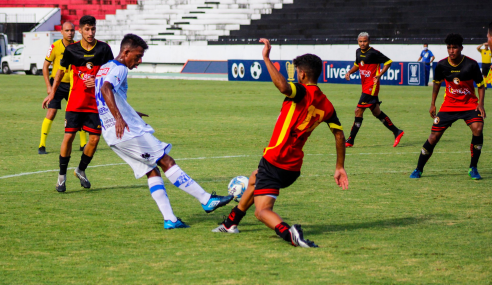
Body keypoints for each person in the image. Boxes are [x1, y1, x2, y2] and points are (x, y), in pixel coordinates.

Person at [212, 39, 349, 248]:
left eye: (296, 72)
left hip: (276, 159)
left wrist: (266, 58)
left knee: (262, 211)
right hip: (293, 167)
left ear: (303, 75)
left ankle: (289, 234)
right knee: (253, 180)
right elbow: (340, 136)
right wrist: (339, 167)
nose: (295, 75)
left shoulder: (302, 92)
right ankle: (231, 223)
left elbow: (283, 86)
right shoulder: (327, 104)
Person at [95, 34, 233, 228]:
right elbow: (106, 90)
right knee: (166, 160)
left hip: (112, 134)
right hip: (126, 131)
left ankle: (170, 219)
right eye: (138, 55)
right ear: (126, 52)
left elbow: (107, 94)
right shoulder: (119, 69)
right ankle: (206, 200)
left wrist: (129, 112)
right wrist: (120, 117)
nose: (140, 61)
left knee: (152, 170)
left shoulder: (104, 68)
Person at [42, 15, 114, 192]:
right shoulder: (72, 50)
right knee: (69, 137)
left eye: (93, 29)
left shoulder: (104, 49)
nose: (90, 32)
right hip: (75, 102)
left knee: (95, 139)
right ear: (80, 30)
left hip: (95, 103)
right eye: (87, 29)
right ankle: (61, 177)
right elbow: (60, 72)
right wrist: (51, 93)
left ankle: (81, 170)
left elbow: (112, 72)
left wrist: (97, 81)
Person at [410, 33, 486, 179]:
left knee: (478, 128)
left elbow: (481, 86)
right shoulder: (442, 65)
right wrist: (433, 104)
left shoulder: (471, 64)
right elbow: (437, 84)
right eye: (449, 48)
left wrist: (480, 104)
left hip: (469, 105)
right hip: (449, 106)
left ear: (461, 48)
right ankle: (418, 169)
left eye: (454, 48)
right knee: (433, 137)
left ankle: (473, 168)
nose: (451, 51)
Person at [344, 32, 404, 148]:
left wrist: (379, 75)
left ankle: (350, 140)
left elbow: (388, 62)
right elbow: (357, 64)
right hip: (365, 86)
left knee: (358, 111)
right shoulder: (357, 52)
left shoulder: (374, 53)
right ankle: (397, 131)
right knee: (376, 112)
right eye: (360, 41)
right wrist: (349, 72)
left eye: (364, 41)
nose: (362, 43)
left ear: (369, 41)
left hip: (372, 86)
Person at [39, 21, 88, 155]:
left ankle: (83, 143)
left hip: (74, 85)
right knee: (51, 112)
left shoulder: (78, 47)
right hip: (57, 84)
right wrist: (49, 87)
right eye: (67, 30)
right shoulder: (55, 46)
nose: (70, 33)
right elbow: (45, 67)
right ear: (61, 32)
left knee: (78, 112)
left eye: (72, 30)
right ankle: (42, 144)